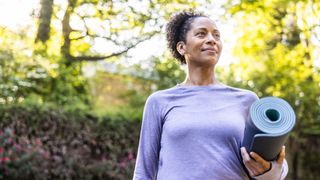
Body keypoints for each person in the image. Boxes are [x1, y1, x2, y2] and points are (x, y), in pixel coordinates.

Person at [133, 10, 288, 180]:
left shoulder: (246, 100)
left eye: (216, 35)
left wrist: (267, 170)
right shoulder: (159, 101)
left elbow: (276, 164)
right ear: (181, 47)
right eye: (201, 34)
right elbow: (144, 172)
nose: (211, 40)